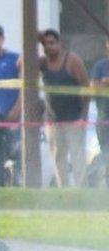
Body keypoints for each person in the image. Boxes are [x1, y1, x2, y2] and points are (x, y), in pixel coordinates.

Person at [40, 29, 89, 188]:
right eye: (45, 44)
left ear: (60, 44)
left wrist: (84, 116)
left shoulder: (72, 60)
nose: (49, 47)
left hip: (74, 118)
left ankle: (82, 191)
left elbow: (85, 88)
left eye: (52, 43)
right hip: (52, 120)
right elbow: (21, 62)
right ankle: (63, 191)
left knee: (77, 157)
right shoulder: (42, 62)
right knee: (57, 156)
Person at [0, 25, 21, 187]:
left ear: (2, 39)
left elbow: (25, 86)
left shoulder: (14, 59)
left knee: (13, 153)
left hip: (9, 115)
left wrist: (17, 109)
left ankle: (15, 187)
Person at [90, 37, 109, 188]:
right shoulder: (100, 66)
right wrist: (103, 82)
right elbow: (93, 87)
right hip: (104, 119)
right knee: (106, 154)